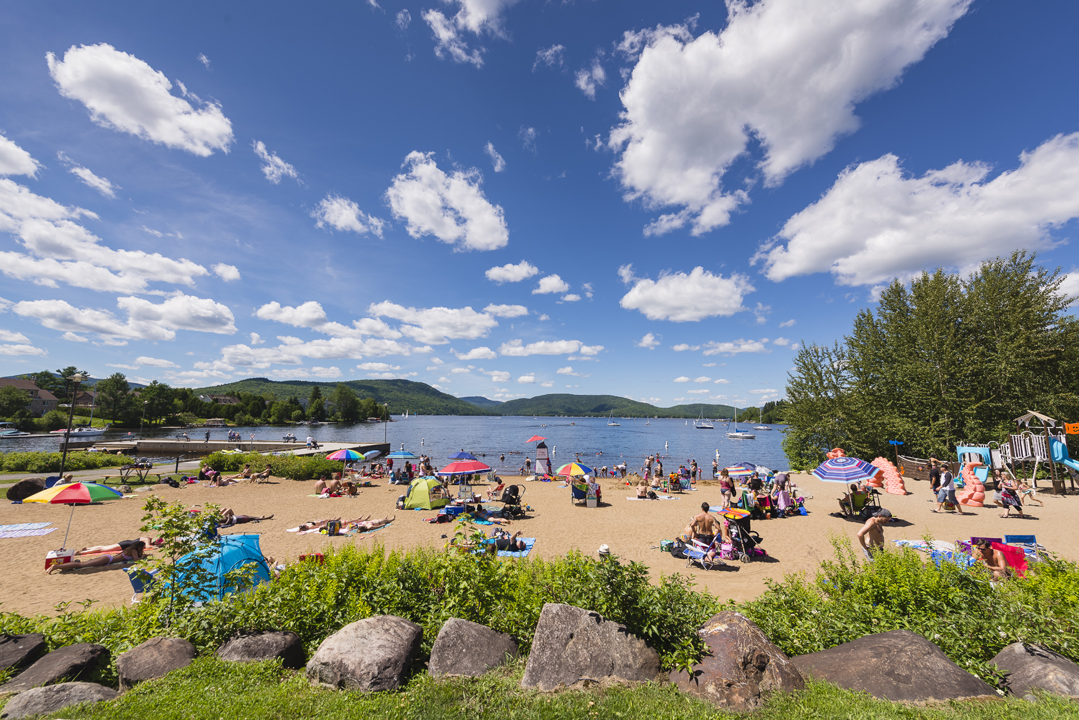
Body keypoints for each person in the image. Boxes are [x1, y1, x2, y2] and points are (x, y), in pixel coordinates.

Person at [48, 540, 146, 573]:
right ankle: (56, 566)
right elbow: (137, 560)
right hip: (108, 559)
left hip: (108, 558)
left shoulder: (130, 549)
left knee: (83, 564)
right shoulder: (134, 551)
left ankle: (60, 566)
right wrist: (143, 558)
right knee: (82, 565)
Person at [75, 537, 158, 556]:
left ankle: (88, 549)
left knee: (104, 547)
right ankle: (83, 552)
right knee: (103, 549)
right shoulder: (147, 538)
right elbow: (148, 546)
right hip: (126, 545)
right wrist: (155, 548)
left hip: (126, 543)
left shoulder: (146, 538)